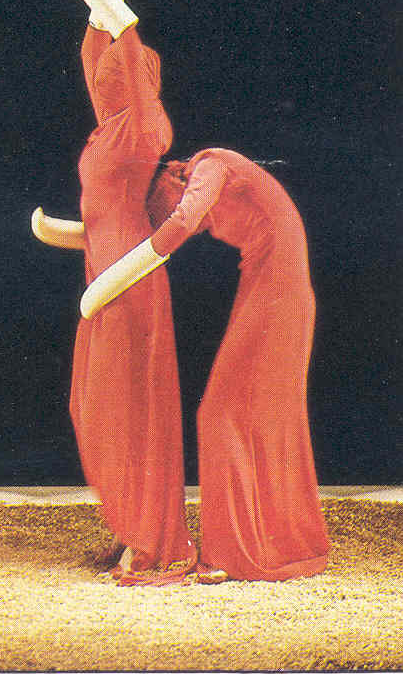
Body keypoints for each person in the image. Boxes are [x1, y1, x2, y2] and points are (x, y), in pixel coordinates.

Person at [15, 0, 196, 585]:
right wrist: (100, 10)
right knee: (100, 402)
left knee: (129, 403)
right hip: (104, 269)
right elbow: (98, 51)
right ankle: (135, 526)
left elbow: (121, 40)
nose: (98, 79)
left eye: (113, 72)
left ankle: (155, 541)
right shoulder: (109, 128)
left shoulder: (143, 126)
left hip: (129, 278)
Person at [82, 148, 331, 582]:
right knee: (252, 417)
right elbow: (179, 224)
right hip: (272, 287)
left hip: (279, 292)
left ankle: (235, 554)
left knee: (221, 415)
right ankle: (270, 543)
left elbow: (181, 223)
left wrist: (109, 282)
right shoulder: (215, 176)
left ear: (173, 182)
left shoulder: (211, 166)